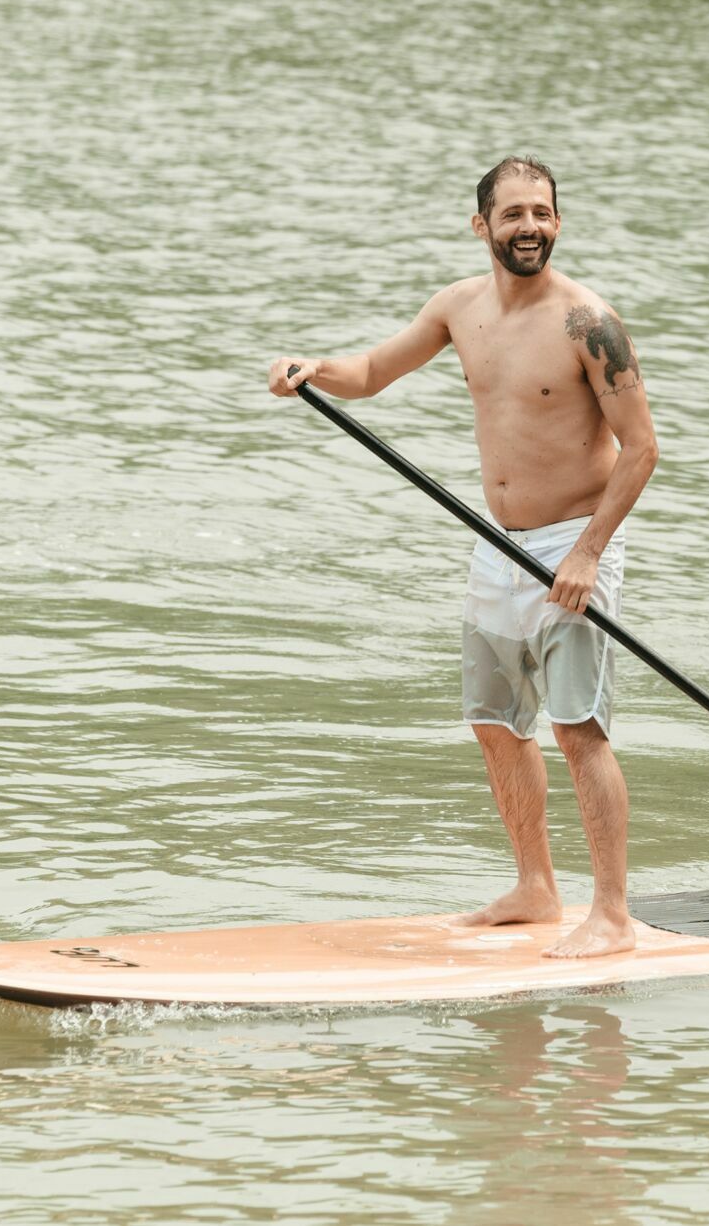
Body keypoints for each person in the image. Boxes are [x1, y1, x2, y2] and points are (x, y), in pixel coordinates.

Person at [266, 156, 659, 958]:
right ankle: (535, 888)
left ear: (558, 222)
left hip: (572, 547)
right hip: (497, 545)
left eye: (542, 213)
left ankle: (612, 915)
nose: (530, 227)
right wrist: (314, 370)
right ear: (482, 225)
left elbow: (642, 449)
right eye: (513, 214)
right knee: (493, 722)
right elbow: (372, 372)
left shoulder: (589, 323)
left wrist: (588, 554)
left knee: (577, 729)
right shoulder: (457, 308)